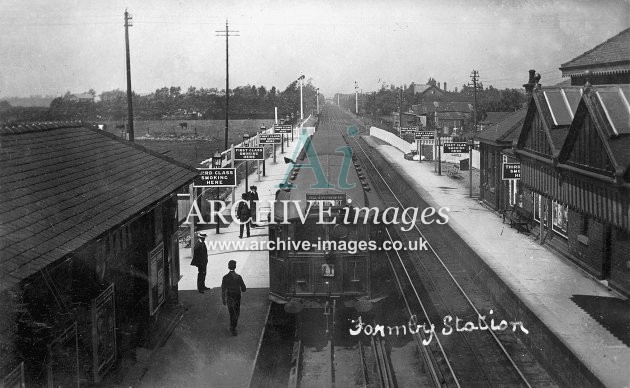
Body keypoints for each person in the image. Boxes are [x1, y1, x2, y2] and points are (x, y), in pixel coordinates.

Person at [221, 260, 246, 335]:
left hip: (229, 297)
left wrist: (223, 299)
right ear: (235, 267)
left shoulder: (225, 277)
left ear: (228, 267)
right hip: (237, 297)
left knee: (231, 312)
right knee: (236, 312)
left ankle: (232, 326)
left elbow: (223, 289)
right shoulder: (239, 277)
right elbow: (244, 289)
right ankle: (233, 327)